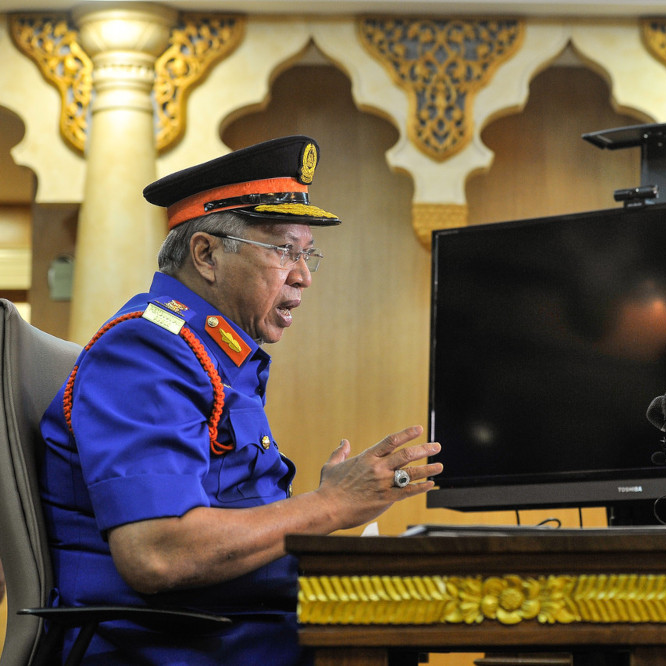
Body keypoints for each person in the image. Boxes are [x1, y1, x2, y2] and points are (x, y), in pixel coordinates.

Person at [38, 135, 443, 665]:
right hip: (171, 649)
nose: (302, 276)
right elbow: (157, 552)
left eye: (307, 254)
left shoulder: (215, 356)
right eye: (284, 251)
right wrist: (327, 506)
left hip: (233, 633)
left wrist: (319, 511)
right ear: (206, 254)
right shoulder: (147, 352)